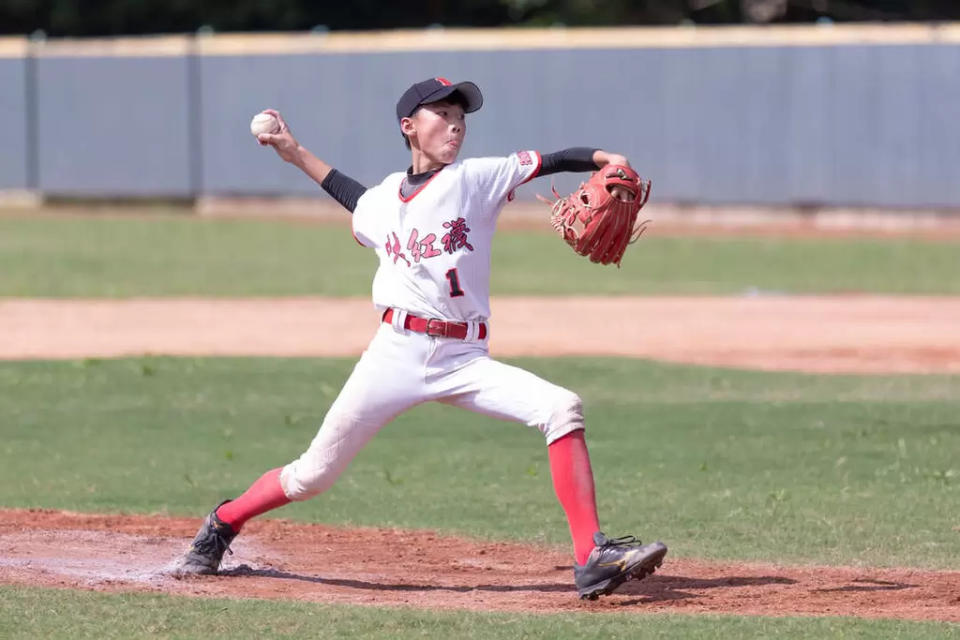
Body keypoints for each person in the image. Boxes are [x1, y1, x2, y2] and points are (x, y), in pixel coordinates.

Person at [175, 77, 667, 600]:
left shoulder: (477, 178)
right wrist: (293, 152)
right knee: (311, 477)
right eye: (441, 113)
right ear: (409, 126)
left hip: (464, 357)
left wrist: (604, 157)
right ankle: (224, 522)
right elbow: (352, 196)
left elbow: (550, 160)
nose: (455, 123)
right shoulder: (384, 198)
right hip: (394, 354)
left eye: (461, 116)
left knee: (561, 407)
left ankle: (591, 558)